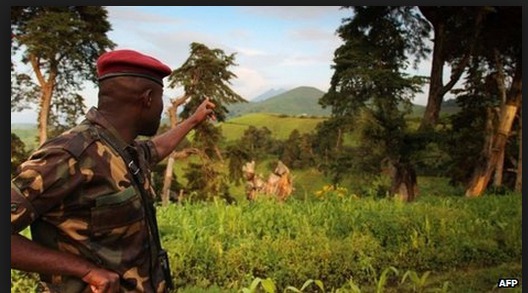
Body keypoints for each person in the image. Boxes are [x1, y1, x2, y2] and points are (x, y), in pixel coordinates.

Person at [11, 49, 216, 293]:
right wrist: (85, 271)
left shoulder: (122, 148)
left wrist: (193, 120)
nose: (162, 108)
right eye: (161, 98)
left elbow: (155, 149)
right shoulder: (70, 155)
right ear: (148, 98)